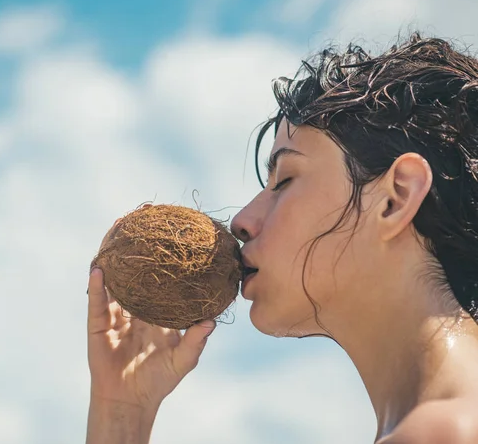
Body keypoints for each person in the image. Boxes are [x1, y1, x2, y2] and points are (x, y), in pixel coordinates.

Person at [85, 33, 478, 443]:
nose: (240, 220)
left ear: (395, 197)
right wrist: (123, 412)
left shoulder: (444, 432)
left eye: (285, 179)